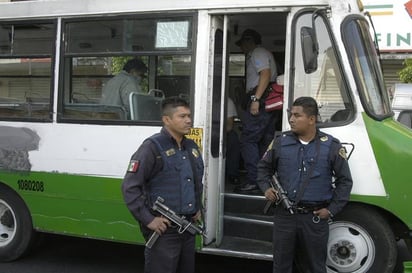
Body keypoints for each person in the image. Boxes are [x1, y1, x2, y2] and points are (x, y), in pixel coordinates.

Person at [256, 97, 353, 273]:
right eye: (290, 115)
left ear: (311, 119)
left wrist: (331, 210)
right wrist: (266, 189)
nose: (291, 119)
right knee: (281, 266)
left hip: (314, 219)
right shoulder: (280, 142)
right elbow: (263, 169)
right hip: (284, 217)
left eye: (297, 115)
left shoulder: (331, 146)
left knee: (314, 266)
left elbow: (345, 181)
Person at [121, 96, 204, 273]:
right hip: (165, 231)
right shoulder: (152, 147)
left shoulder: (191, 146)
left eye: (189, 115)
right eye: (182, 116)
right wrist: (148, 219)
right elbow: (130, 187)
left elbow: (196, 179)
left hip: (188, 228)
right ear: (167, 120)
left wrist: (198, 207)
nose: (188, 120)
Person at [235, 29, 278, 194]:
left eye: (242, 44)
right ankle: (264, 180)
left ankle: (253, 179)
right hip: (267, 104)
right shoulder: (265, 53)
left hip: (261, 101)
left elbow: (265, 74)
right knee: (265, 143)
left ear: (249, 41)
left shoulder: (257, 52)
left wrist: (256, 99)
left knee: (247, 141)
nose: (241, 48)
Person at [226, 97, 241, 184]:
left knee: (233, 137)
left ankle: (232, 174)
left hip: (221, 133)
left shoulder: (228, 101)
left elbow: (229, 126)